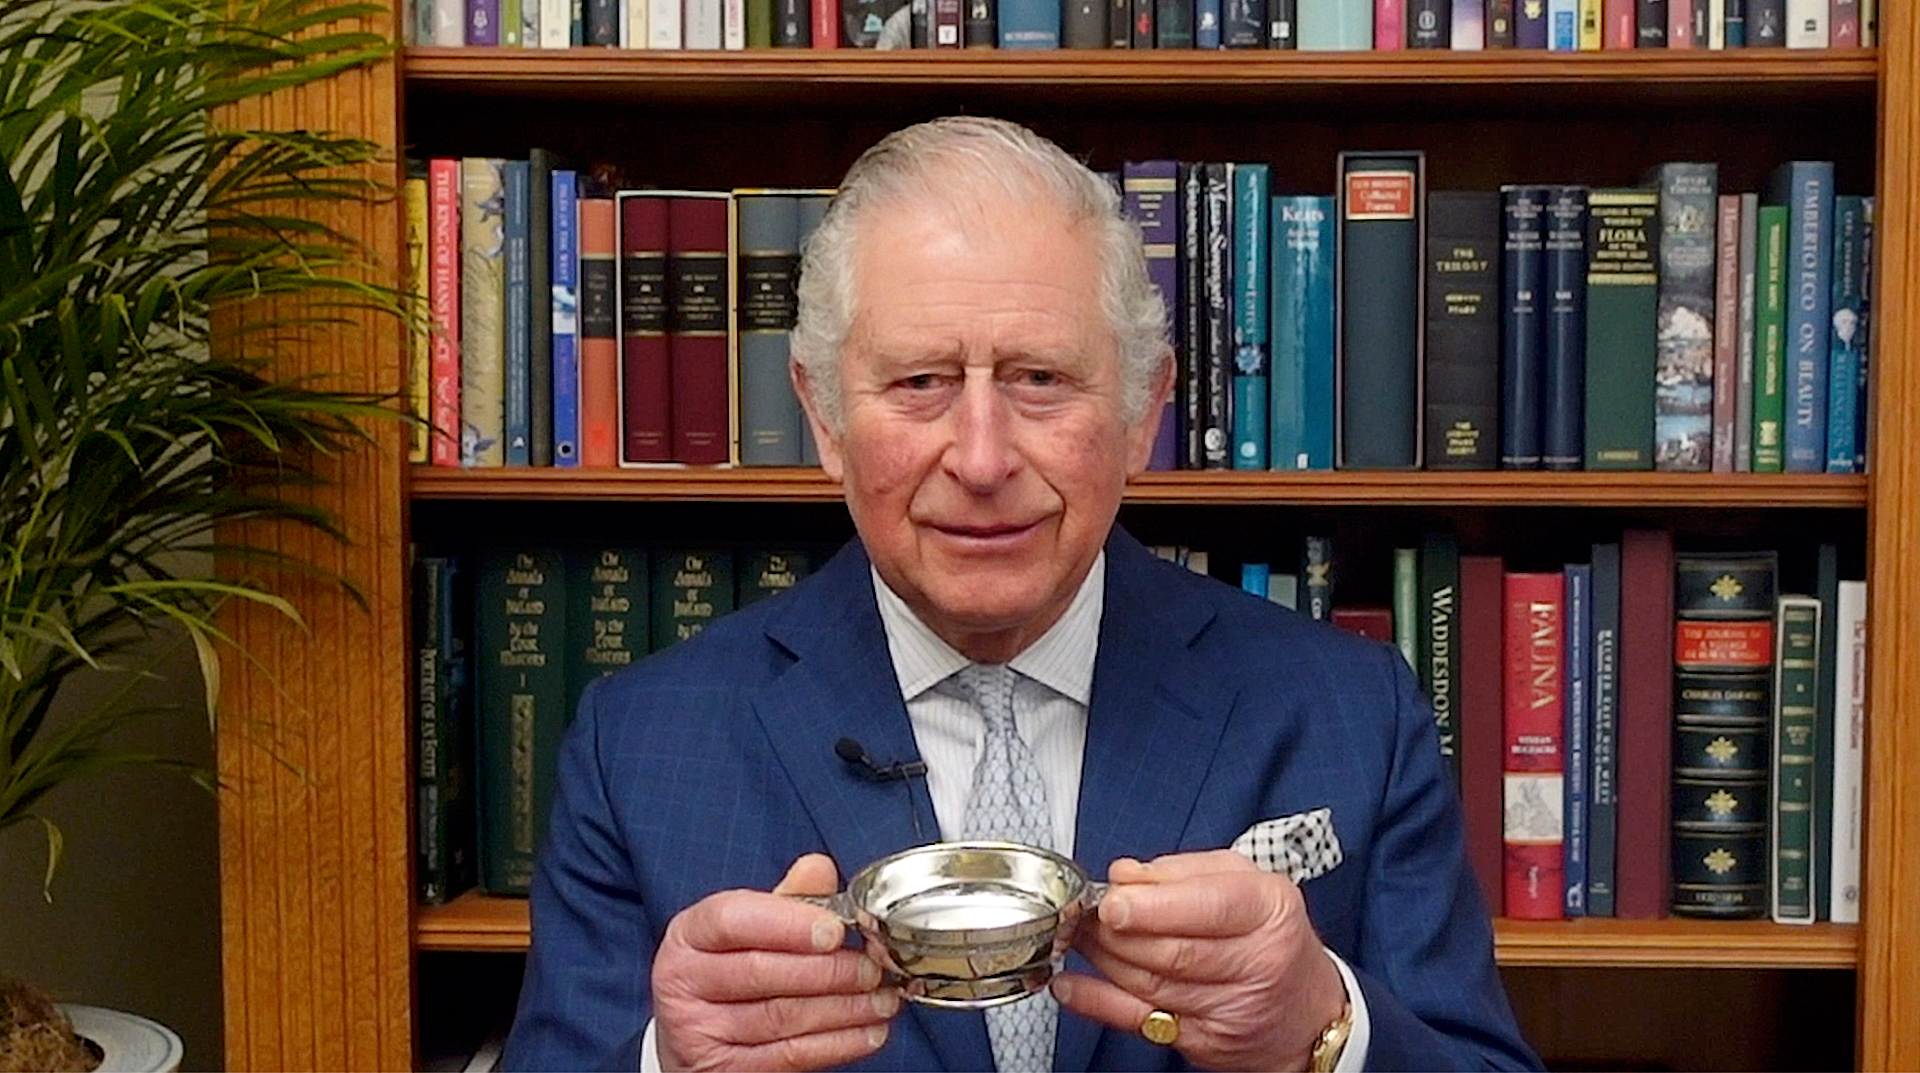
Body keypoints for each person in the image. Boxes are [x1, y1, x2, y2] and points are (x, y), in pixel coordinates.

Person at [502, 116, 1539, 1073]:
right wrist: (669, 1064)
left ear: (1142, 413)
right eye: (920, 383)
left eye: (1041, 379)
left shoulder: (1353, 712)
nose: (983, 457)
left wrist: (1324, 1025)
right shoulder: (637, 745)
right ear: (822, 416)